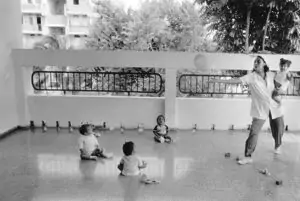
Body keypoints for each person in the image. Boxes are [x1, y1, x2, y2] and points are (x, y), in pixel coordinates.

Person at [209, 56, 286, 165]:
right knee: (254, 132)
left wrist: (281, 92)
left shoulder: (271, 75)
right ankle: (248, 156)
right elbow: (236, 81)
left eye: (258, 61)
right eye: (254, 62)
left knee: (279, 127)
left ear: (264, 63)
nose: (256, 63)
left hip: (275, 106)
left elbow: (281, 83)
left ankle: (278, 146)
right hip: (260, 109)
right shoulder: (251, 77)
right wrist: (218, 80)